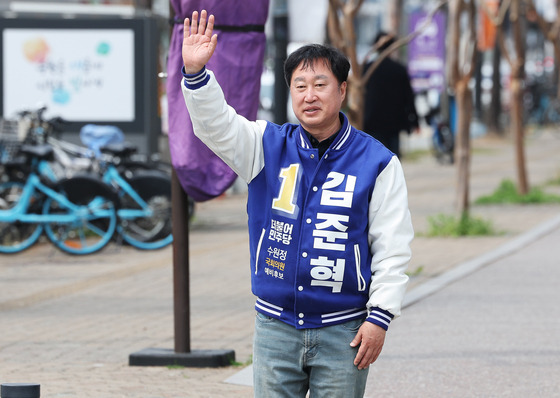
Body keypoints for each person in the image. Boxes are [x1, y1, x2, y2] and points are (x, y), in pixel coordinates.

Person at [180, 10, 413, 397]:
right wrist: (196, 75)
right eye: (299, 85)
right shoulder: (265, 145)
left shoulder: (378, 162)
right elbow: (216, 125)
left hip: (345, 331)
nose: (309, 95)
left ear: (342, 90)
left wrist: (380, 317)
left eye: (320, 84)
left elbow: (392, 247)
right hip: (274, 328)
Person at [362, 31, 419, 158]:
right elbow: (408, 97)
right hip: (394, 122)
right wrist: (415, 121)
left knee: (374, 159)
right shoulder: (399, 69)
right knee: (392, 160)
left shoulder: (366, 70)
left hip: (371, 121)